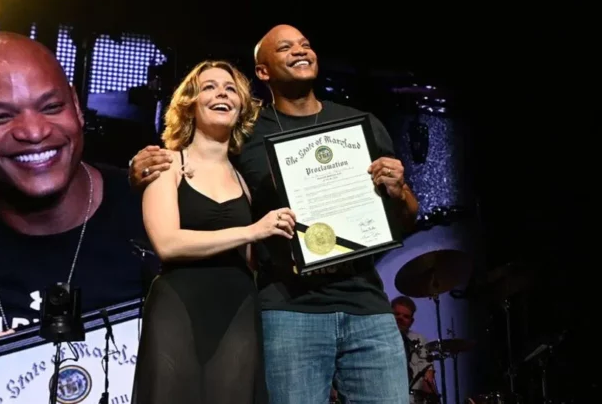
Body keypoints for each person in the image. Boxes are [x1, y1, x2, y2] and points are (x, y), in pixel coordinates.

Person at [129, 24, 420, 403]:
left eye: (306, 44)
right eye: (285, 47)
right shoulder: (246, 136)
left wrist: (398, 191)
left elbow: (407, 216)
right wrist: (139, 169)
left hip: (367, 307)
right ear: (263, 71)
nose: (300, 51)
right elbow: (199, 166)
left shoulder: (362, 125)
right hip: (288, 311)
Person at [0, 32, 157, 403]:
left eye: (52, 107)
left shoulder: (154, 214)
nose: (34, 132)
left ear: (76, 105)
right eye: (0, 117)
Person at [131, 60, 294, 403]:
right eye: (209, 86)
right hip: (178, 303)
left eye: (230, 88)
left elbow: (256, 258)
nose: (221, 92)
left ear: (241, 107)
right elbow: (168, 243)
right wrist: (252, 230)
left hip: (237, 305)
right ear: (190, 104)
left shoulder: (244, 179)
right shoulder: (166, 163)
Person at [392, 296, 439, 403]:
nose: (400, 318)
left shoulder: (419, 339)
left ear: (411, 321)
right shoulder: (379, 339)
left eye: (406, 316)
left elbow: (428, 376)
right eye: (396, 314)